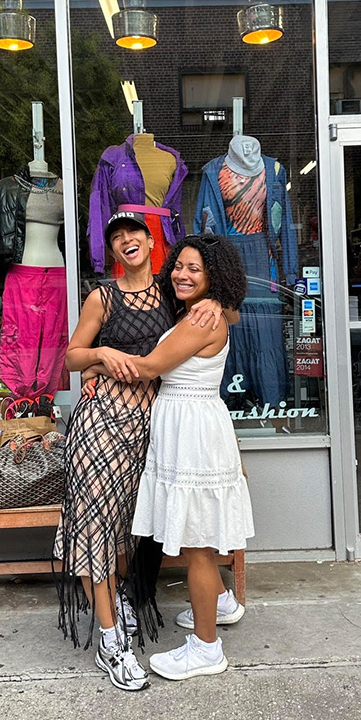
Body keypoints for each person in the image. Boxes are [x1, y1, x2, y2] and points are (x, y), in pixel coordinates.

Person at [54, 212, 229, 693]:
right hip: (102, 422)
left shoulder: (174, 291)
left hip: (155, 426)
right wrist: (97, 358)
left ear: (153, 242)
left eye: (134, 233)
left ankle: (132, 600)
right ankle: (111, 644)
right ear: (111, 250)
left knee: (132, 527)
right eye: (116, 237)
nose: (126, 240)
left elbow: (217, 312)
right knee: (95, 526)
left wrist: (216, 301)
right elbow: (70, 356)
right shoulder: (101, 296)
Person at [109, 234, 254, 681]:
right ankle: (220, 604)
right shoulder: (204, 311)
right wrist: (217, 303)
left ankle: (206, 649)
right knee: (202, 538)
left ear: (213, 276)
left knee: (197, 547)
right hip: (191, 425)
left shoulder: (203, 320)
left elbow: (149, 367)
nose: (182, 274)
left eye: (195, 269)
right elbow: (228, 310)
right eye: (179, 266)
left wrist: (94, 360)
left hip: (192, 432)